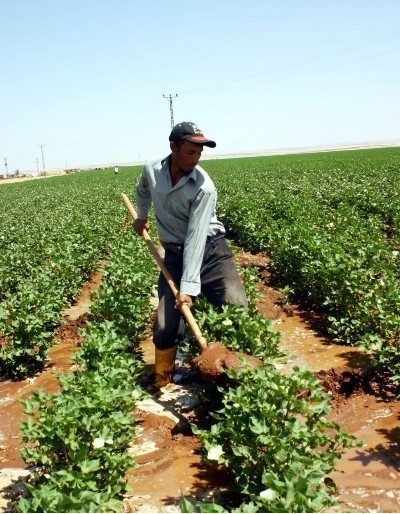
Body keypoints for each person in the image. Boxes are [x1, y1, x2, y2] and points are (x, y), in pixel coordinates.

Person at [133, 121, 248, 389]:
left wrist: (187, 288)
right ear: (173, 147)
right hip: (173, 253)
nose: (195, 158)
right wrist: (141, 217)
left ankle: (238, 380)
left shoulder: (204, 187)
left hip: (210, 251)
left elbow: (196, 238)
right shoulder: (152, 168)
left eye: (199, 153)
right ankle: (163, 379)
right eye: (190, 152)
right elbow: (142, 189)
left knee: (236, 310)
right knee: (164, 325)